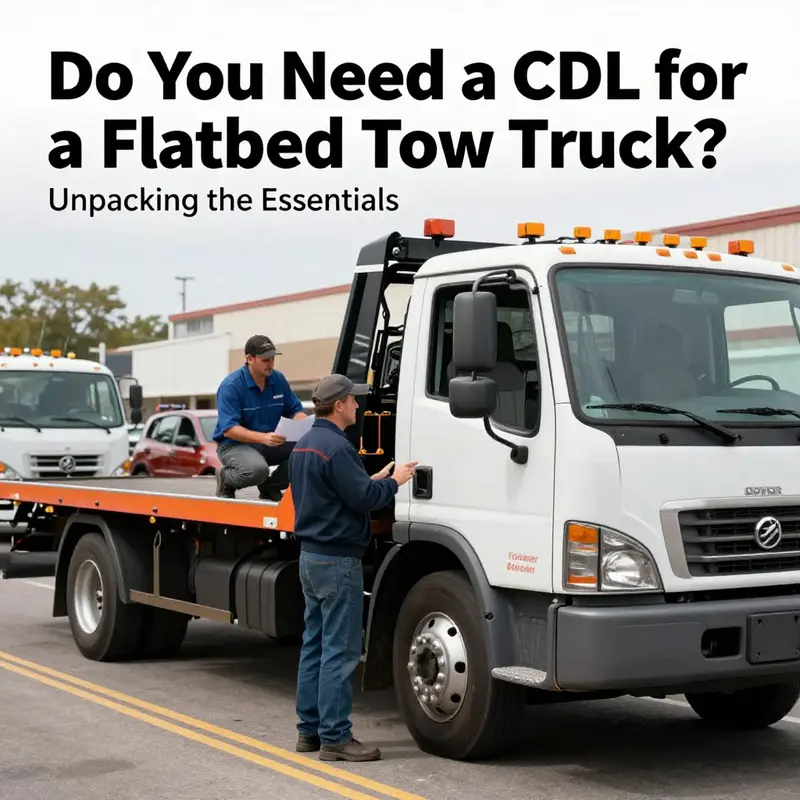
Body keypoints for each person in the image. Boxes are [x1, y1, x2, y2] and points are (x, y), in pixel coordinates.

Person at [289, 373, 417, 762]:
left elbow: (337, 492)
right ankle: (335, 737)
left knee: (314, 645)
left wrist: (370, 479)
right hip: (337, 561)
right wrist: (394, 481)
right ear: (340, 404)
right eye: (354, 400)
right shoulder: (339, 447)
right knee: (340, 651)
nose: (358, 406)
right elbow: (363, 500)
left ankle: (309, 732)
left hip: (310, 557)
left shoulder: (305, 445)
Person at [213, 334, 308, 501]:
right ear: (249, 359)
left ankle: (271, 486)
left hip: (270, 441)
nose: (270, 364)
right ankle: (227, 479)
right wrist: (263, 438)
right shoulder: (231, 386)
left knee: (309, 451)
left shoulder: (278, 379)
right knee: (257, 470)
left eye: (272, 359)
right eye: (265, 360)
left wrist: (304, 424)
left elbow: (295, 410)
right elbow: (229, 429)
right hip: (234, 445)